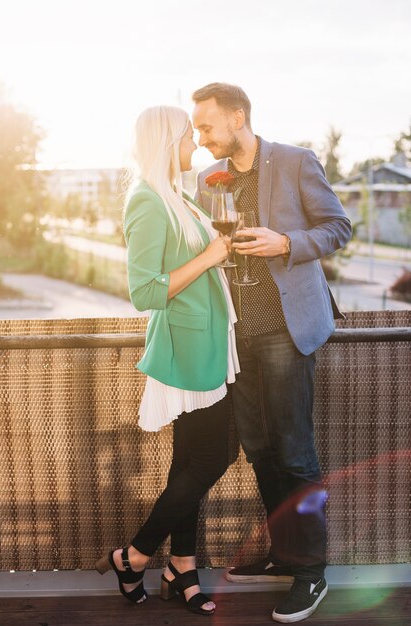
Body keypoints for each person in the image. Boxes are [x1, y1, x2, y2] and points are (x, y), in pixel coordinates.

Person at [192, 83, 352, 623]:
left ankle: (311, 574)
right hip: (235, 336)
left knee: (295, 451)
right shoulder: (206, 179)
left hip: (285, 329)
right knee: (259, 448)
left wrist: (287, 242)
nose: (200, 136)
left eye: (207, 125)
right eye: (196, 128)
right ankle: (286, 554)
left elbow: (337, 227)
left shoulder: (295, 161)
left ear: (237, 118)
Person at [95, 105, 240, 616]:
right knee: (213, 457)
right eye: (187, 136)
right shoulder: (147, 201)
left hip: (208, 345)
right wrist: (211, 257)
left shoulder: (175, 195)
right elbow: (144, 291)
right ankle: (133, 554)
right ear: (165, 142)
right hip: (187, 351)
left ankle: (181, 564)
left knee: (190, 462)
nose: (195, 145)